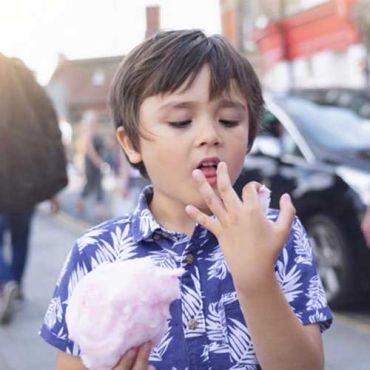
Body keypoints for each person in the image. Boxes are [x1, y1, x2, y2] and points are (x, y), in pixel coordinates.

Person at [40, 30, 332, 370]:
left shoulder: (276, 234)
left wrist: (256, 279)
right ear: (131, 143)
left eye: (229, 120)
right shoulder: (95, 253)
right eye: (180, 121)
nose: (209, 135)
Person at [0, 55, 67, 324]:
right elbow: (52, 134)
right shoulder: (32, 89)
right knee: (20, 236)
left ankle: (5, 283)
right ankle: (15, 284)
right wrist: (52, 187)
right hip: (27, 180)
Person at [76, 111, 106, 216]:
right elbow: (89, 148)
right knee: (93, 183)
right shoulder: (88, 131)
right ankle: (97, 206)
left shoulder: (94, 130)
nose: (95, 120)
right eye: (93, 119)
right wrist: (97, 160)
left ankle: (96, 205)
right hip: (91, 161)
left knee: (96, 183)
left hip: (94, 161)